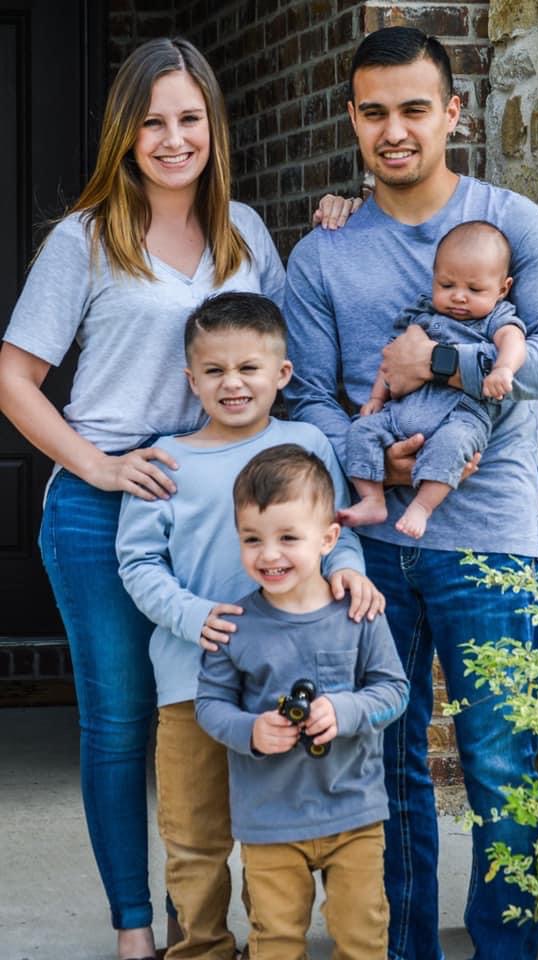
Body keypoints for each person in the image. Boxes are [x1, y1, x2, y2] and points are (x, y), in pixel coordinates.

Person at [0, 36, 358, 960]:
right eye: (152, 121)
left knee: (229, 706)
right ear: (126, 133)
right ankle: (135, 927)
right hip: (105, 501)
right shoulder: (84, 239)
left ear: (213, 126)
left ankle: (246, 916)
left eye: (189, 119)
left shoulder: (245, 231)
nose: (172, 138)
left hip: (233, 509)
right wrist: (100, 466)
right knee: (122, 719)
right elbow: (14, 378)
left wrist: (344, 223)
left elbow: (284, 354)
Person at [283, 26, 538, 960]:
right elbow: (304, 397)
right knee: (390, 768)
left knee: (500, 769)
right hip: (372, 550)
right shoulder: (322, 252)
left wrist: (443, 360)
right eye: (374, 112)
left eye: (415, 108)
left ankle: (505, 951)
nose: (395, 130)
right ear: (352, 120)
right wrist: (380, 463)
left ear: (452, 113)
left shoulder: (514, 224)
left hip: (490, 546)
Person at [116, 291, 384, 959]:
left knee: (278, 841)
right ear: (190, 380)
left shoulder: (307, 442)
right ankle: (202, 947)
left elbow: (337, 531)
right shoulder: (165, 459)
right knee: (196, 834)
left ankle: (274, 940)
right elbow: (138, 560)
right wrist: (194, 613)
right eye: (213, 371)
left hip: (298, 676)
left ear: (282, 375)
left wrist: (349, 567)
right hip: (192, 679)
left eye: (249, 368)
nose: (232, 384)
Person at [195, 444, 409, 960]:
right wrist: (250, 731)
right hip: (270, 819)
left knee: (362, 938)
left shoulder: (359, 613)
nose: (269, 555)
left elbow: (394, 692)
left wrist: (346, 710)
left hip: (353, 813)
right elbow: (210, 704)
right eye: (252, 539)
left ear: (328, 539)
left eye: (288, 537)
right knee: (275, 940)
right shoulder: (234, 626)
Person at [340, 220, 525, 538]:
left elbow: (514, 341)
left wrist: (503, 370)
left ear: (502, 288)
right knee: (360, 431)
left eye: (474, 289)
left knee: (452, 447)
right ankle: (372, 498)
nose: (459, 297)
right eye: (447, 285)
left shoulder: (497, 317)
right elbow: (391, 359)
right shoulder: (422, 314)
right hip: (402, 410)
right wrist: (376, 399)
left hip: (461, 415)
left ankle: (423, 507)